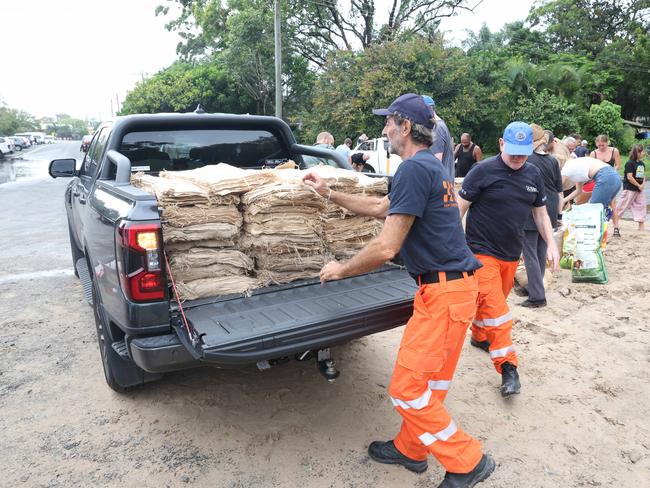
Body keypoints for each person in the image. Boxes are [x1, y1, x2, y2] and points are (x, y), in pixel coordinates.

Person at [303, 93, 495, 487]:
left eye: (389, 122)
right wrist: (330, 194)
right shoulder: (430, 166)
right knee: (429, 383)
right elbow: (381, 208)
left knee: (406, 389)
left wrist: (342, 268)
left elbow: (387, 245)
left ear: (406, 127)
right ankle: (411, 449)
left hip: (444, 294)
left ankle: (468, 460)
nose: (384, 129)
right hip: (453, 291)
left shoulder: (414, 169)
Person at [457, 121, 560, 397]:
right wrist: (452, 247)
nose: (517, 158)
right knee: (498, 311)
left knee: (493, 304)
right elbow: (459, 209)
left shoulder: (534, 175)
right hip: (480, 252)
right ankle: (508, 367)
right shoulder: (482, 172)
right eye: (512, 151)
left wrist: (551, 243)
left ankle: (479, 337)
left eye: (523, 153)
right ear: (501, 143)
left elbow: (540, 214)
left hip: (510, 254)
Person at [521, 125, 563, 308]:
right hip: (551, 205)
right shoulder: (553, 161)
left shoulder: (527, 159)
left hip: (534, 205)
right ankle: (534, 284)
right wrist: (559, 213)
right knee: (540, 248)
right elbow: (559, 189)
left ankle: (537, 296)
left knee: (529, 250)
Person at [561, 157, 623, 232]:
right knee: (602, 208)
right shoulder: (578, 166)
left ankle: (597, 234)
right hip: (615, 176)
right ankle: (603, 231)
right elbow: (578, 191)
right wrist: (564, 200)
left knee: (594, 209)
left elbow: (558, 188)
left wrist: (558, 201)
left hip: (605, 175)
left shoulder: (566, 168)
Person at [588, 135, 622, 235]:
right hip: (598, 180)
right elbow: (591, 168)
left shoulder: (614, 151)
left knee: (613, 203)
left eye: (603, 145)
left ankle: (616, 228)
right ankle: (598, 225)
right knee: (597, 203)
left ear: (607, 143)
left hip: (611, 179)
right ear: (596, 144)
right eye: (599, 145)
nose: (601, 147)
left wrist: (611, 172)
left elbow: (618, 165)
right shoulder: (593, 153)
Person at [422, 95, 455, 182]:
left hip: (441, 184)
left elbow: (436, 161)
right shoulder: (438, 125)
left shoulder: (436, 127)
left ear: (427, 109)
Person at [615, 144, 646, 231]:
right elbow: (629, 177)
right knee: (622, 205)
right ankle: (614, 222)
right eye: (643, 151)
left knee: (641, 205)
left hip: (639, 189)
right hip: (629, 188)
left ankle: (641, 225)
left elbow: (642, 176)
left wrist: (642, 185)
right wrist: (638, 185)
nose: (644, 153)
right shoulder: (630, 163)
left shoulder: (642, 163)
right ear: (638, 152)